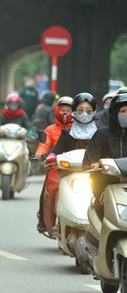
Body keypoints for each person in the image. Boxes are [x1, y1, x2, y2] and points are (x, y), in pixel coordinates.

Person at [36, 94, 94, 233]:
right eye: (62, 110)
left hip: (87, 169)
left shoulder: (95, 131)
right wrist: (44, 154)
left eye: (69, 111)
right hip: (60, 167)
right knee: (46, 189)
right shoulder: (58, 131)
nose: (65, 114)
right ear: (56, 111)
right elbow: (47, 146)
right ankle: (44, 220)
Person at [83, 93, 127, 217]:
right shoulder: (102, 134)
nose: (126, 114)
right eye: (123, 111)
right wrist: (95, 165)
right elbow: (88, 161)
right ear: (114, 114)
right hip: (106, 189)